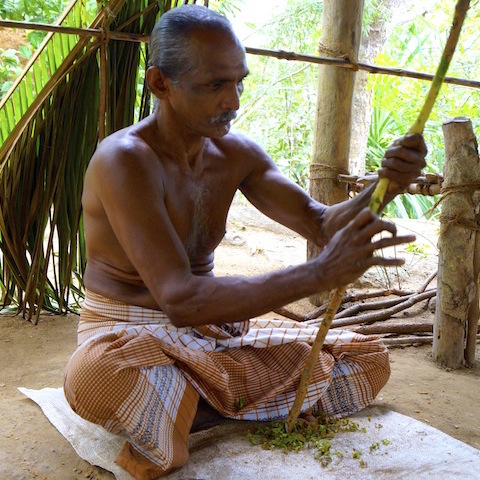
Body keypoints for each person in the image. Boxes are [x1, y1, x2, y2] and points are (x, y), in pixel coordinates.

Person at [64, 4, 427, 479]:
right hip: (129, 338)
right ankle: (242, 400)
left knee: (366, 358)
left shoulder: (237, 153)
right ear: (160, 84)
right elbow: (180, 299)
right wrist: (319, 274)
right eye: (215, 85)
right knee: (93, 379)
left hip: (213, 339)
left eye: (240, 82)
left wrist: (388, 184)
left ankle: (192, 408)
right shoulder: (125, 161)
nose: (233, 101)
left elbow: (321, 225)